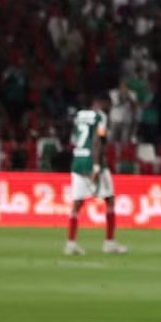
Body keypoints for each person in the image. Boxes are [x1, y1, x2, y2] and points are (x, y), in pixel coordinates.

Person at [63, 92, 124, 256]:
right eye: (109, 105)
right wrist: (96, 167)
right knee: (110, 200)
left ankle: (71, 243)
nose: (110, 109)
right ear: (102, 103)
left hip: (78, 160)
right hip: (93, 161)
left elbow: (73, 140)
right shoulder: (101, 117)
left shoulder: (79, 115)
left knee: (77, 203)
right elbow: (98, 141)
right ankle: (109, 243)